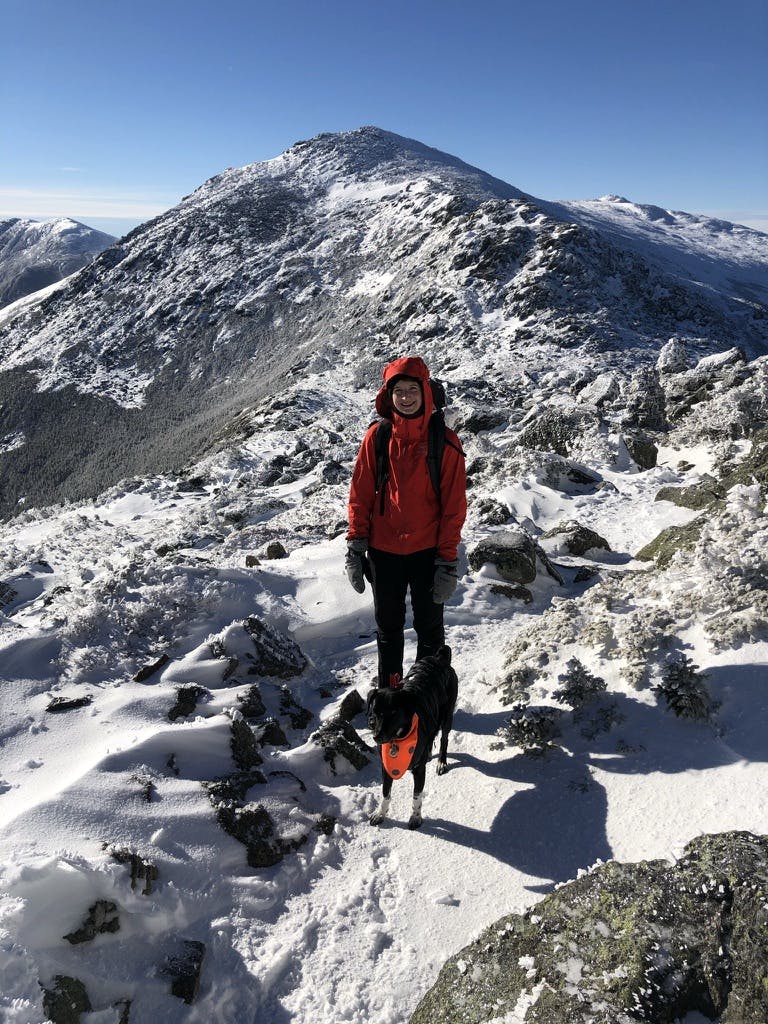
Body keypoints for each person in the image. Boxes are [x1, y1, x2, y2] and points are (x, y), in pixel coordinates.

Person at [345, 356, 466, 688]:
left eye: (413, 389)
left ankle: (425, 696)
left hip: (427, 551)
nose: (406, 397)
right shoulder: (377, 438)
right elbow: (361, 493)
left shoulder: (446, 442)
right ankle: (391, 696)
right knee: (388, 630)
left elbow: (454, 508)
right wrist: (355, 547)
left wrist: (447, 561)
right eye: (399, 390)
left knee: (430, 630)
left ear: (425, 392)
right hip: (384, 552)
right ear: (389, 395)